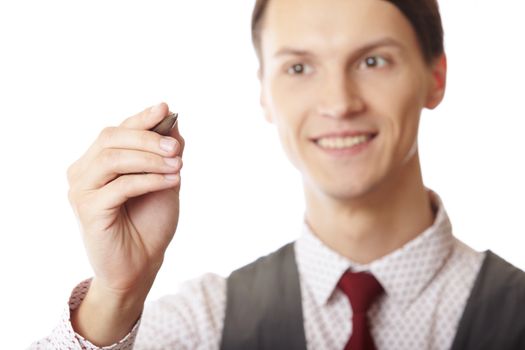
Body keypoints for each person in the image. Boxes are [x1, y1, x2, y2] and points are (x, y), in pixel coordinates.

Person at [31, 0, 525, 349]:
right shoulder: (202, 325)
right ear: (264, 92)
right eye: (299, 68)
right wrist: (117, 293)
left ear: (435, 77)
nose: (338, 103)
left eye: (373, 61)